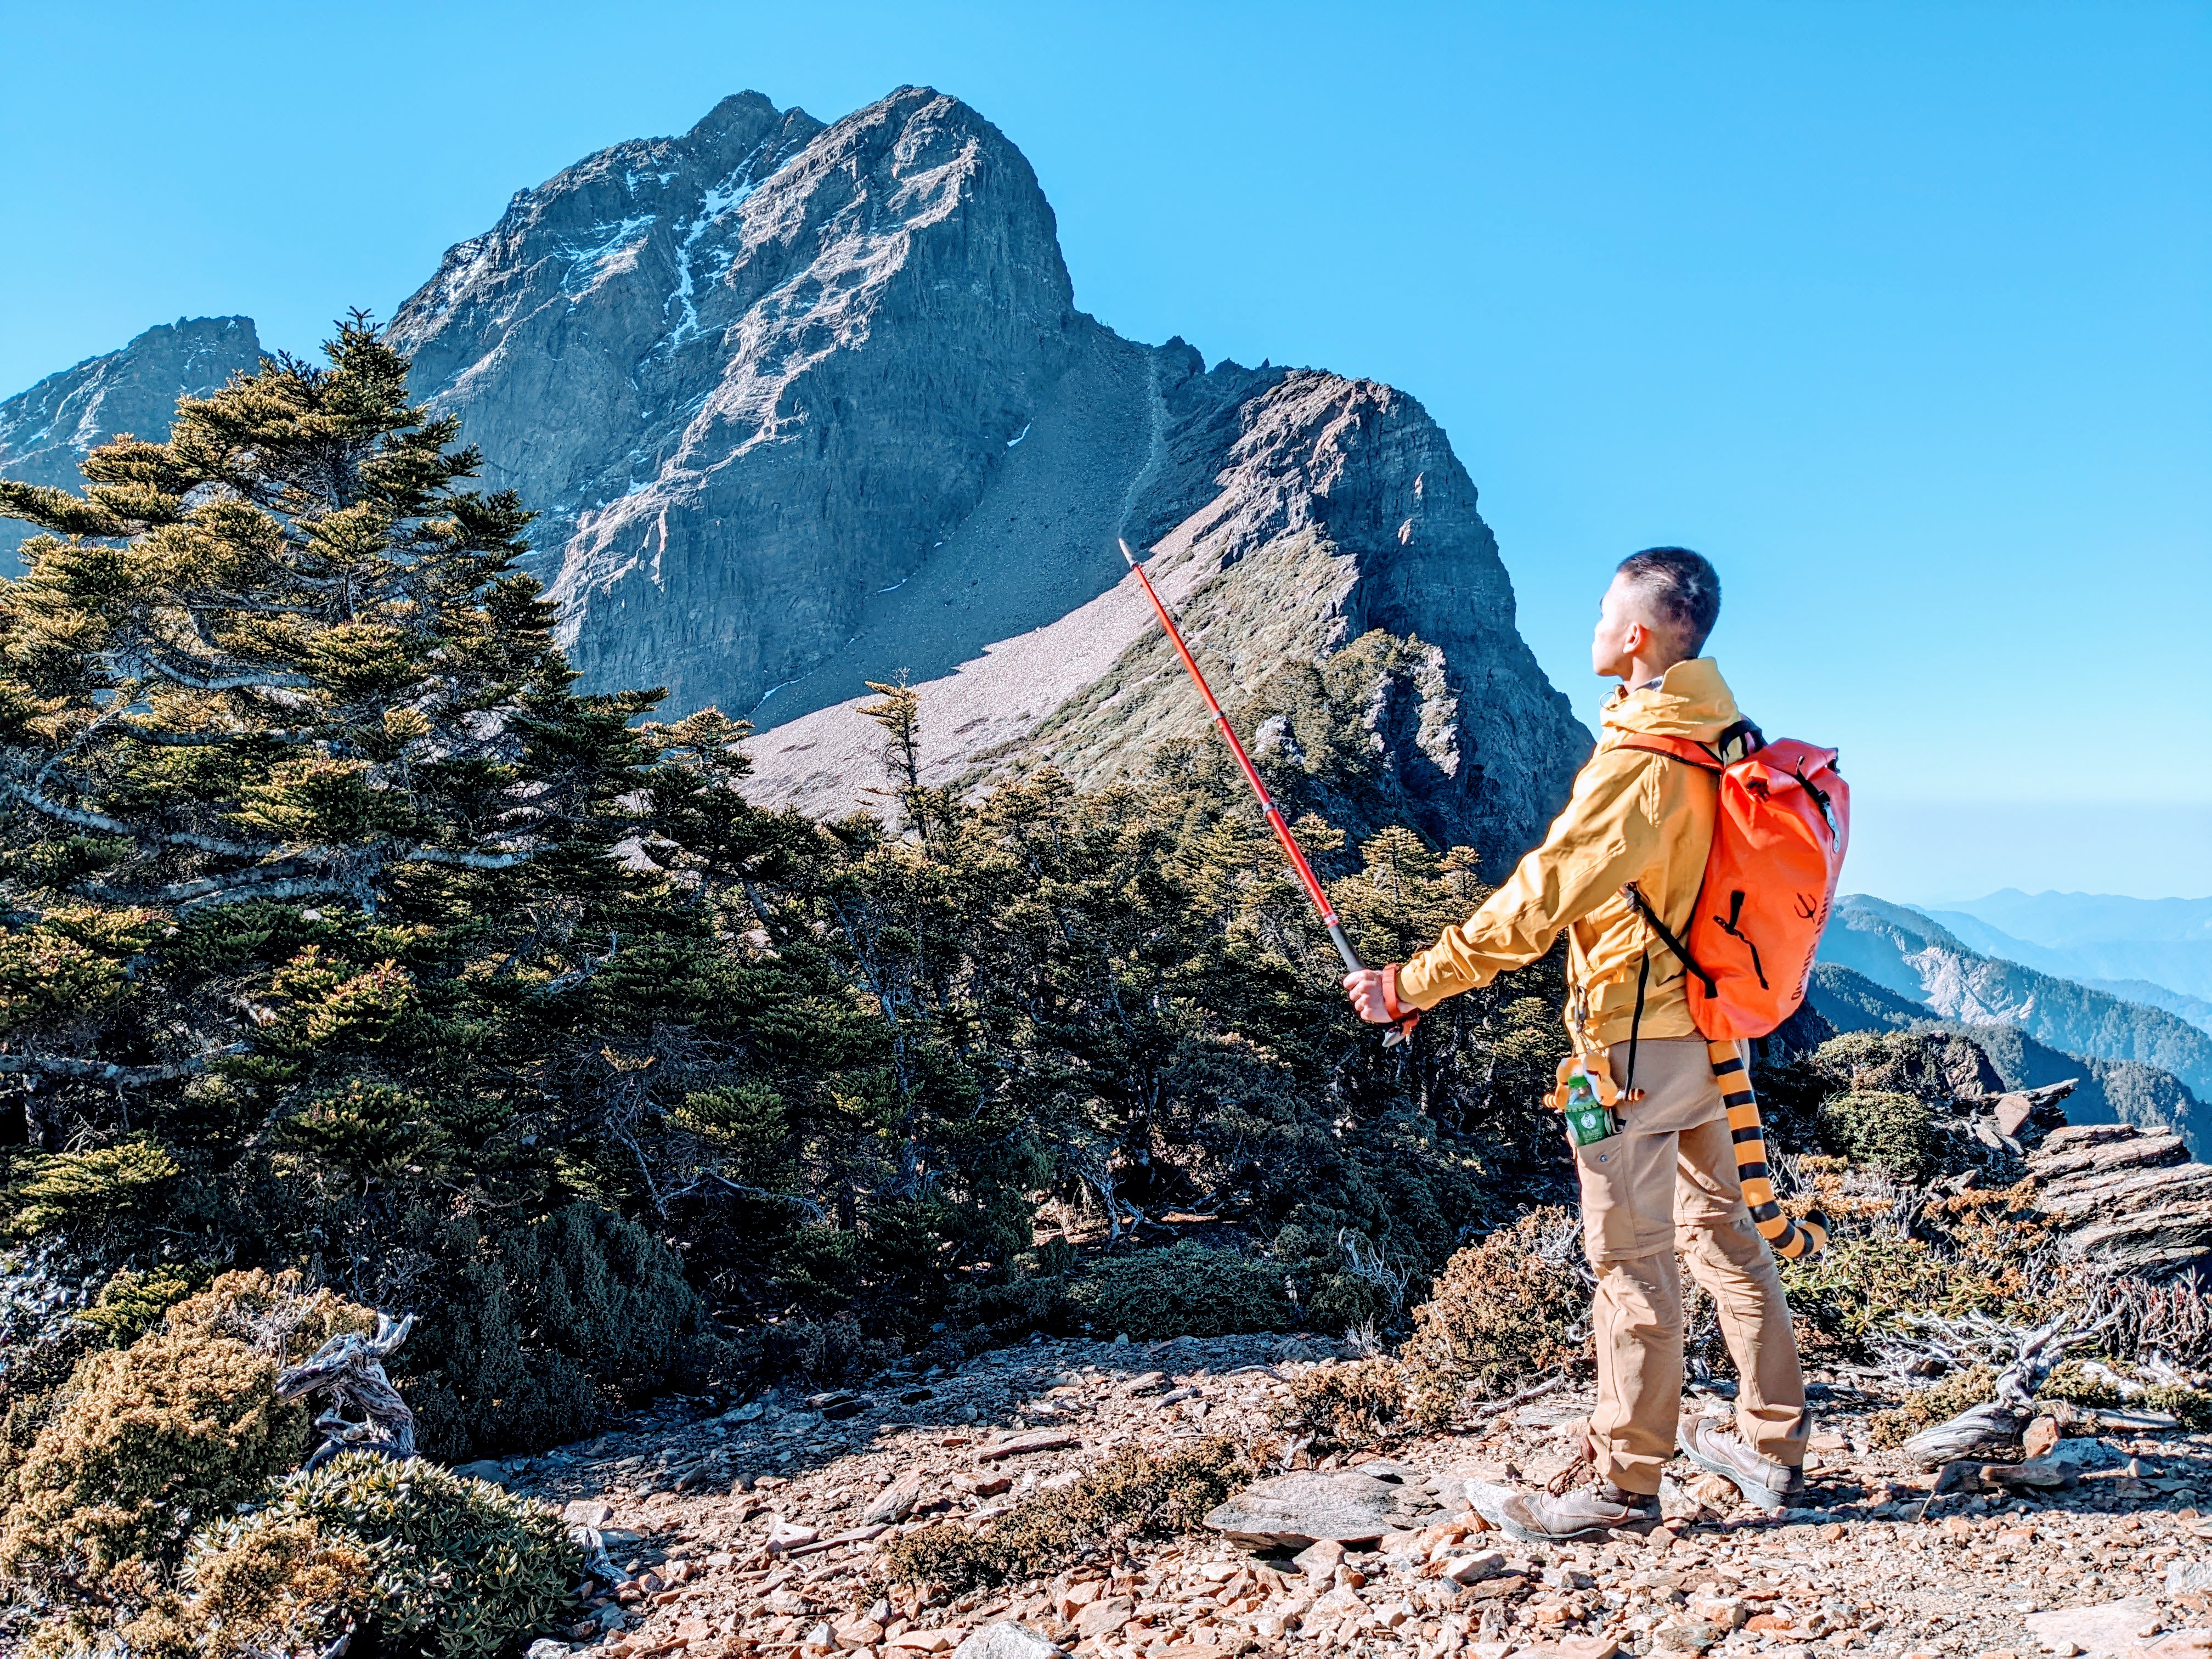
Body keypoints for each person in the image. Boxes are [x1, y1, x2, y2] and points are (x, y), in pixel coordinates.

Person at [1343, 546, 1808, 1540]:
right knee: (1726, 1236)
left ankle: (1624, 1486)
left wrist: (1407, 986)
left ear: (1636, 634)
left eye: (1605, 609)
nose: (1594, 624)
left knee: (1631, 1262)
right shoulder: (1720, 733)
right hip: (1708, 1038)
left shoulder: (1639, 770)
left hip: (1632, 1053)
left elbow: (1535, 905)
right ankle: (1771, 1447)